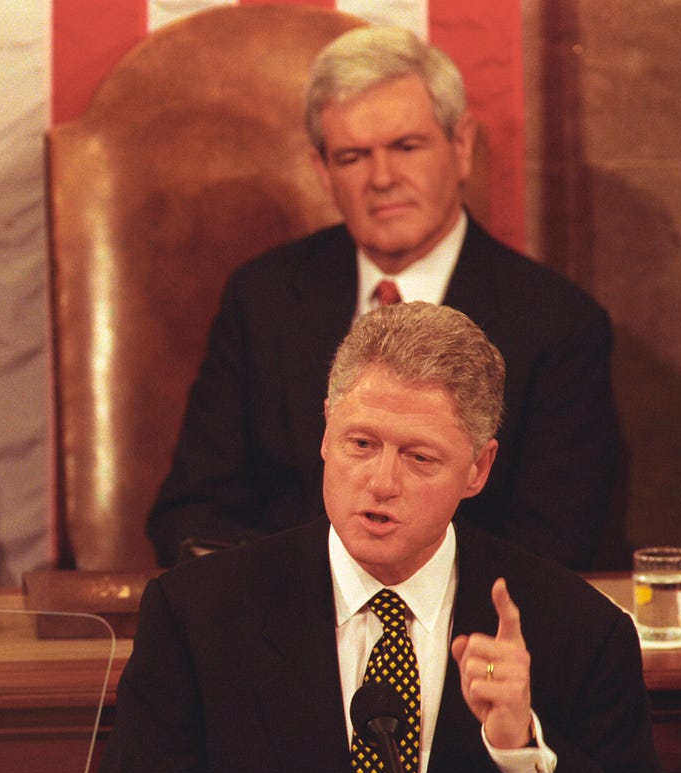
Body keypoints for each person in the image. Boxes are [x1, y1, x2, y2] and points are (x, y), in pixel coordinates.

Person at [81, 302, 662, 773]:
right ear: (326, 431)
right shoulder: (199, 613)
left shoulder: (572, 627)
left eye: (420, 458)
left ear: (478, 468)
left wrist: (523, 750)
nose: (381, 482)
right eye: (361, 444)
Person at [148, 25, 621, 572]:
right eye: (352, 157)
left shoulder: (557, 324)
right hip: (278, 631)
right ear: (322, 172)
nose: (382, 178)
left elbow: (555, 543)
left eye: (406, 146)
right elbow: (192, 511)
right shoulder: (264, 298)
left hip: (458, 639)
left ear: (461, 147)